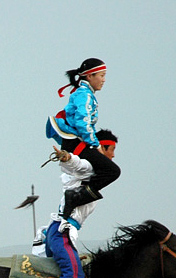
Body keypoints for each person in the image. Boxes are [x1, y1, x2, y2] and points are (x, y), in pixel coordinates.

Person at [34, 129, 119, 278]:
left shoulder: (97, 175)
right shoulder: (89, 167)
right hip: (61, 233)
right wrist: (67, 157)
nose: (112, 157)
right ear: (102, 148)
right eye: (111, 151)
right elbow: (79, 164)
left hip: (59, 232)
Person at [46, 58, 121, 219]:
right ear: (89, 76)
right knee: (113, 171)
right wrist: (95, 145)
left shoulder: (85, 94)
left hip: (76, 143)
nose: (104, 80)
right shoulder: (84, 95)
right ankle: (75, 197)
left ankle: (76, 197)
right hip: (76, 144)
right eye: (101, 75)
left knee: (102, 171)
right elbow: (83, 122)